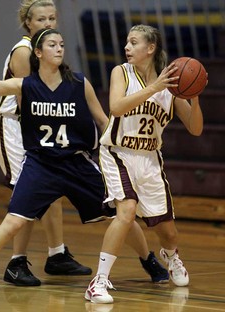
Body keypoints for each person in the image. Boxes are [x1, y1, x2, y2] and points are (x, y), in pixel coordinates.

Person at [0, 17, 167, 294]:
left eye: (62, 44)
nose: (59, 48)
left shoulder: (79, 83)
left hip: (77, 163)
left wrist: (116, 155)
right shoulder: (25, 85)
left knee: (120, 214)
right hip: (41, 166)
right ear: (38, 53)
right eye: (52, 44)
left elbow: (104, 120)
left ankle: (148, 260)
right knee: (13, 222)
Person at [85, 24, 206, 304]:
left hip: (150, 158)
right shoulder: (121, 73)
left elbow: (196, 129)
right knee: (126, 211)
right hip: (118, 153)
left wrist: (195, 98)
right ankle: (98, 282)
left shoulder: (172, 88)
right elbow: (116, 107)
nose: (127, 47)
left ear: (150, 48)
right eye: (127, 42)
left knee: (168, 231)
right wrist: (154, 87)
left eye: (133, 42)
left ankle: (171, 256)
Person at [0, 0, 92, 286]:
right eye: (40, 20)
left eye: (51, 18)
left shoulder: (47, 49)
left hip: (37, 128)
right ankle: (16, 262)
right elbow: (33, 101)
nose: (47, 24)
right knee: (27, 195)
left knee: (53, 188)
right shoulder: (25, 52)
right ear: (28, 23)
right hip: (16, 125)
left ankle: (57, 254)